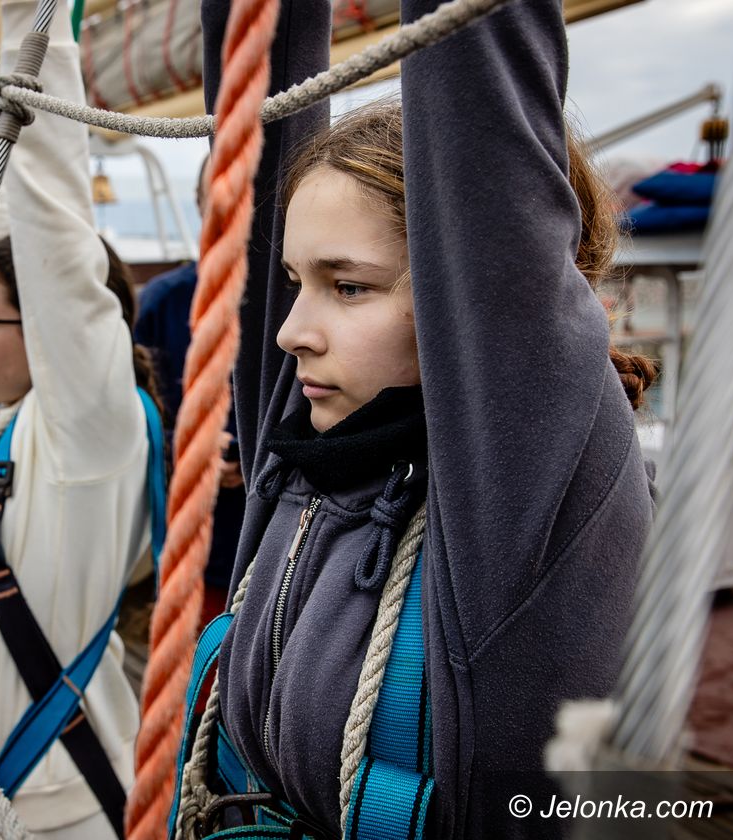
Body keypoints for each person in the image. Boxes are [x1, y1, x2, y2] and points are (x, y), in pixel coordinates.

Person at [179, 0, 659, 838]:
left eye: (349, 285)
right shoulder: (310, 449)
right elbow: (254, 115)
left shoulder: (518, 492)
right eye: (297, 281)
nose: (292, 333)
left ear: (461, 297)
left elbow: (477, 90)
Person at [0, 1, 161, 837]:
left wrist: (30, 18)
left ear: (48, 337)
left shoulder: (87, 433)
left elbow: (51, 230)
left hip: (62, 816)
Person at [134, 155, 245, 625]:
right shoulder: (162, 304)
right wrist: (191, 451)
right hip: (196, 548)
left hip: (278, 546)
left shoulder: (297, 299)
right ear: (200, 205)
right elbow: (135, 419)